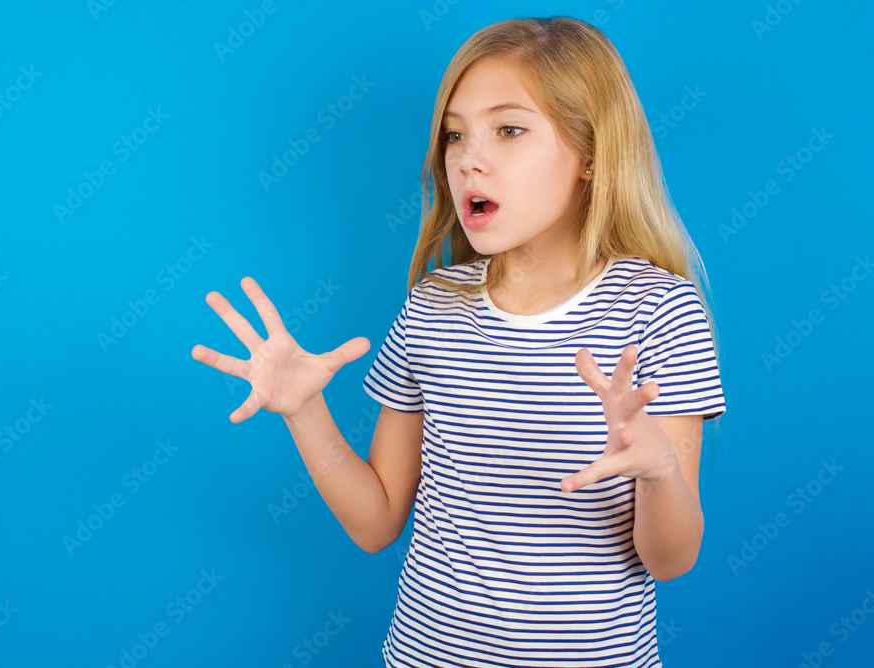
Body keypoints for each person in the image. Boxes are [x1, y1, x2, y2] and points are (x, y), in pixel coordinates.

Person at [192, 15, 726, 667]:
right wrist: (305, 410)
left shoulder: (658, 309)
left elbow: (670, 560)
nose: (469, 158)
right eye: (454, 135)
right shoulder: (433, 308)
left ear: (591, 154)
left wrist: (660, 471)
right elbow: (376, 521)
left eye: (509, 130)